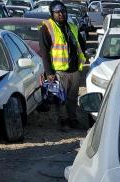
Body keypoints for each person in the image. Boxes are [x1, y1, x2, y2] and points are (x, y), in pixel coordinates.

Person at [39, 0, 86, 130]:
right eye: (57, 12)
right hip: (59, 72)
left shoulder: (72, 26)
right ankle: (63, 121)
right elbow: (44, 52)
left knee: (72, 98)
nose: (61, 14)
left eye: (63, 12)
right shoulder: (46, 28)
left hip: (74, 70)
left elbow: (81, 44)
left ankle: (73, 120)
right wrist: (49, 73)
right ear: (52, 13)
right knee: (61, 99)